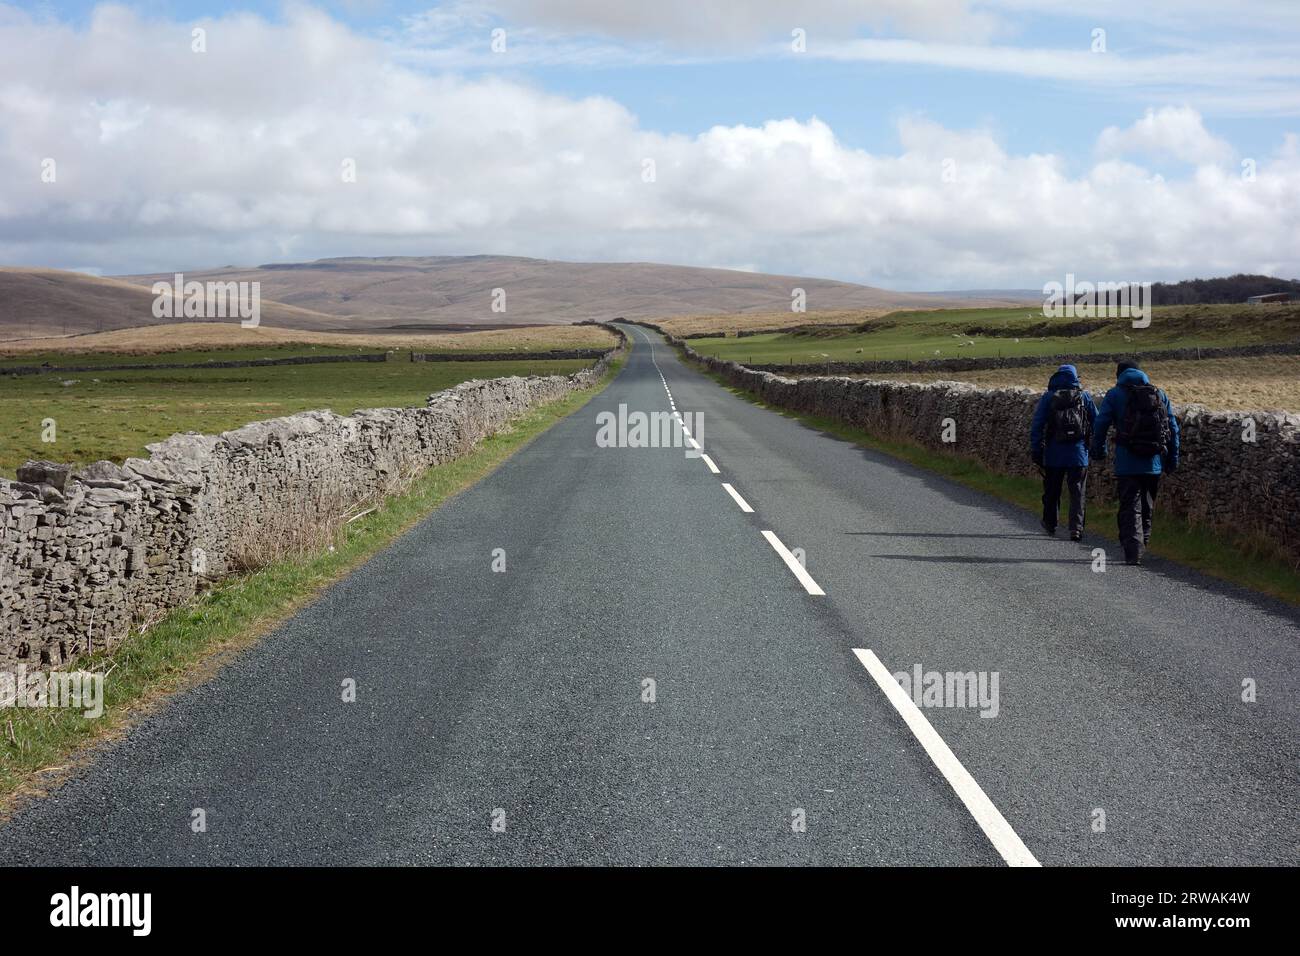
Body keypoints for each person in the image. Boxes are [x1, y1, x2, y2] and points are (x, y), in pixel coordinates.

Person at [1091, 359, 1181, 565]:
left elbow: (1101, 423)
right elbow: (1173, 428)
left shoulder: (1114, 394)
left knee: (1130, 505)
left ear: (1119, 375)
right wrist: (1172, 458)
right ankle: (1143, 543)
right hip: (1153, 461)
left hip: (1127, 462)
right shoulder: (1159, 394)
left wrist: (1098, 450)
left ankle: (1133, 550)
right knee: (1147, 505)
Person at [1030, 364, 1097, 541]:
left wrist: (1037, 450)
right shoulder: (1084, 397)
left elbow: (1037, 425)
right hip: (1078, 453)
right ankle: (1076, 528)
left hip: (1054, 453)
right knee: (1077, 492)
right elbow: (1097, 422)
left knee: (1052, 490)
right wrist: (1096, 447)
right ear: (1076, 377)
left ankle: (1050, 523)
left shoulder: (1049, 397)